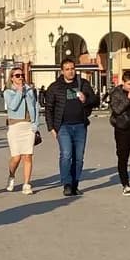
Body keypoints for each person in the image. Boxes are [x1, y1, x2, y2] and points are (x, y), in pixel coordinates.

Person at [43, 56, 96, 198]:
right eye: (67, 69)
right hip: (63, 126)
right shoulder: (55, 87)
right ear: (62, 71)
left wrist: (86, 99)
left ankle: (75, 184)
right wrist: (51, 128)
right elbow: (48, 108)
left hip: (80, 125)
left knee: (78, 157)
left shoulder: (83, 83)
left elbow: (95, 100)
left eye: (72, 69)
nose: (70, 72)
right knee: (66, 154)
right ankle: (66, 184)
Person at [2, 66, 40, 194]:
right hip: (15, 126)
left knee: (28, 156)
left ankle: (26, 184)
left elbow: (36, 106)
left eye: (22, 75)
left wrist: (35, 123)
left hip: (28, 125)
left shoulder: (30, 90)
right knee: (16, 157)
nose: (21, 77)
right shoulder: (8, 92)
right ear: (12, 78)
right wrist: (19, 92)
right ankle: (11, 175)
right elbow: (13, 106)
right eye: (17, 75)